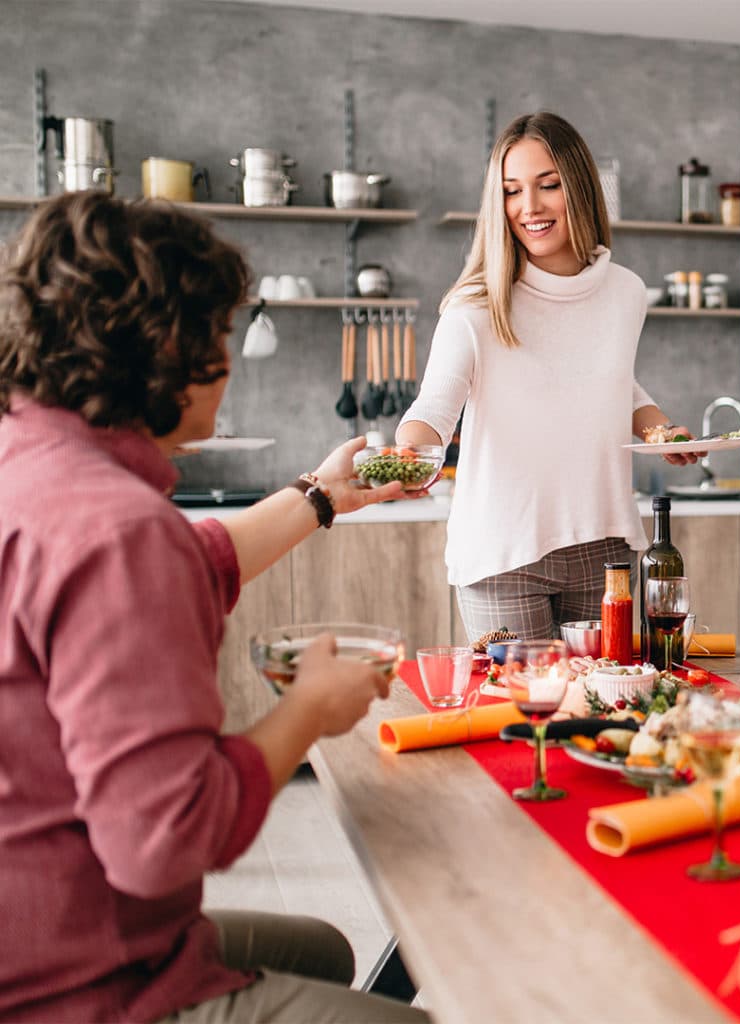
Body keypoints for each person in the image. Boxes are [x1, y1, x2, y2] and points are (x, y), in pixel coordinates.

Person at [0, 192, 427, 1023]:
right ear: (168, 344)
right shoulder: (118, 529)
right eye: (222, 333)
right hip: (78, 987)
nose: (230, 358)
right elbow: (165, 841)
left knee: (326, 952)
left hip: (30, 931)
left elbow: (191, 564)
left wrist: (321, 493)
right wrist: (308, 709)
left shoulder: (32, 468)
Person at [395, 110, 697, 642]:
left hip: (605, 548)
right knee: (520, 718)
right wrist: (409, 456)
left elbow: (613, 381)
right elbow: (433, 410)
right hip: (504, 555)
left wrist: (659, 430)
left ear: (579, 188)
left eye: (548, 185)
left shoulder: (625, 292)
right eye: (511, 191)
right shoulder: (475, 306)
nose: (528, 207)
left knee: (607, 713)